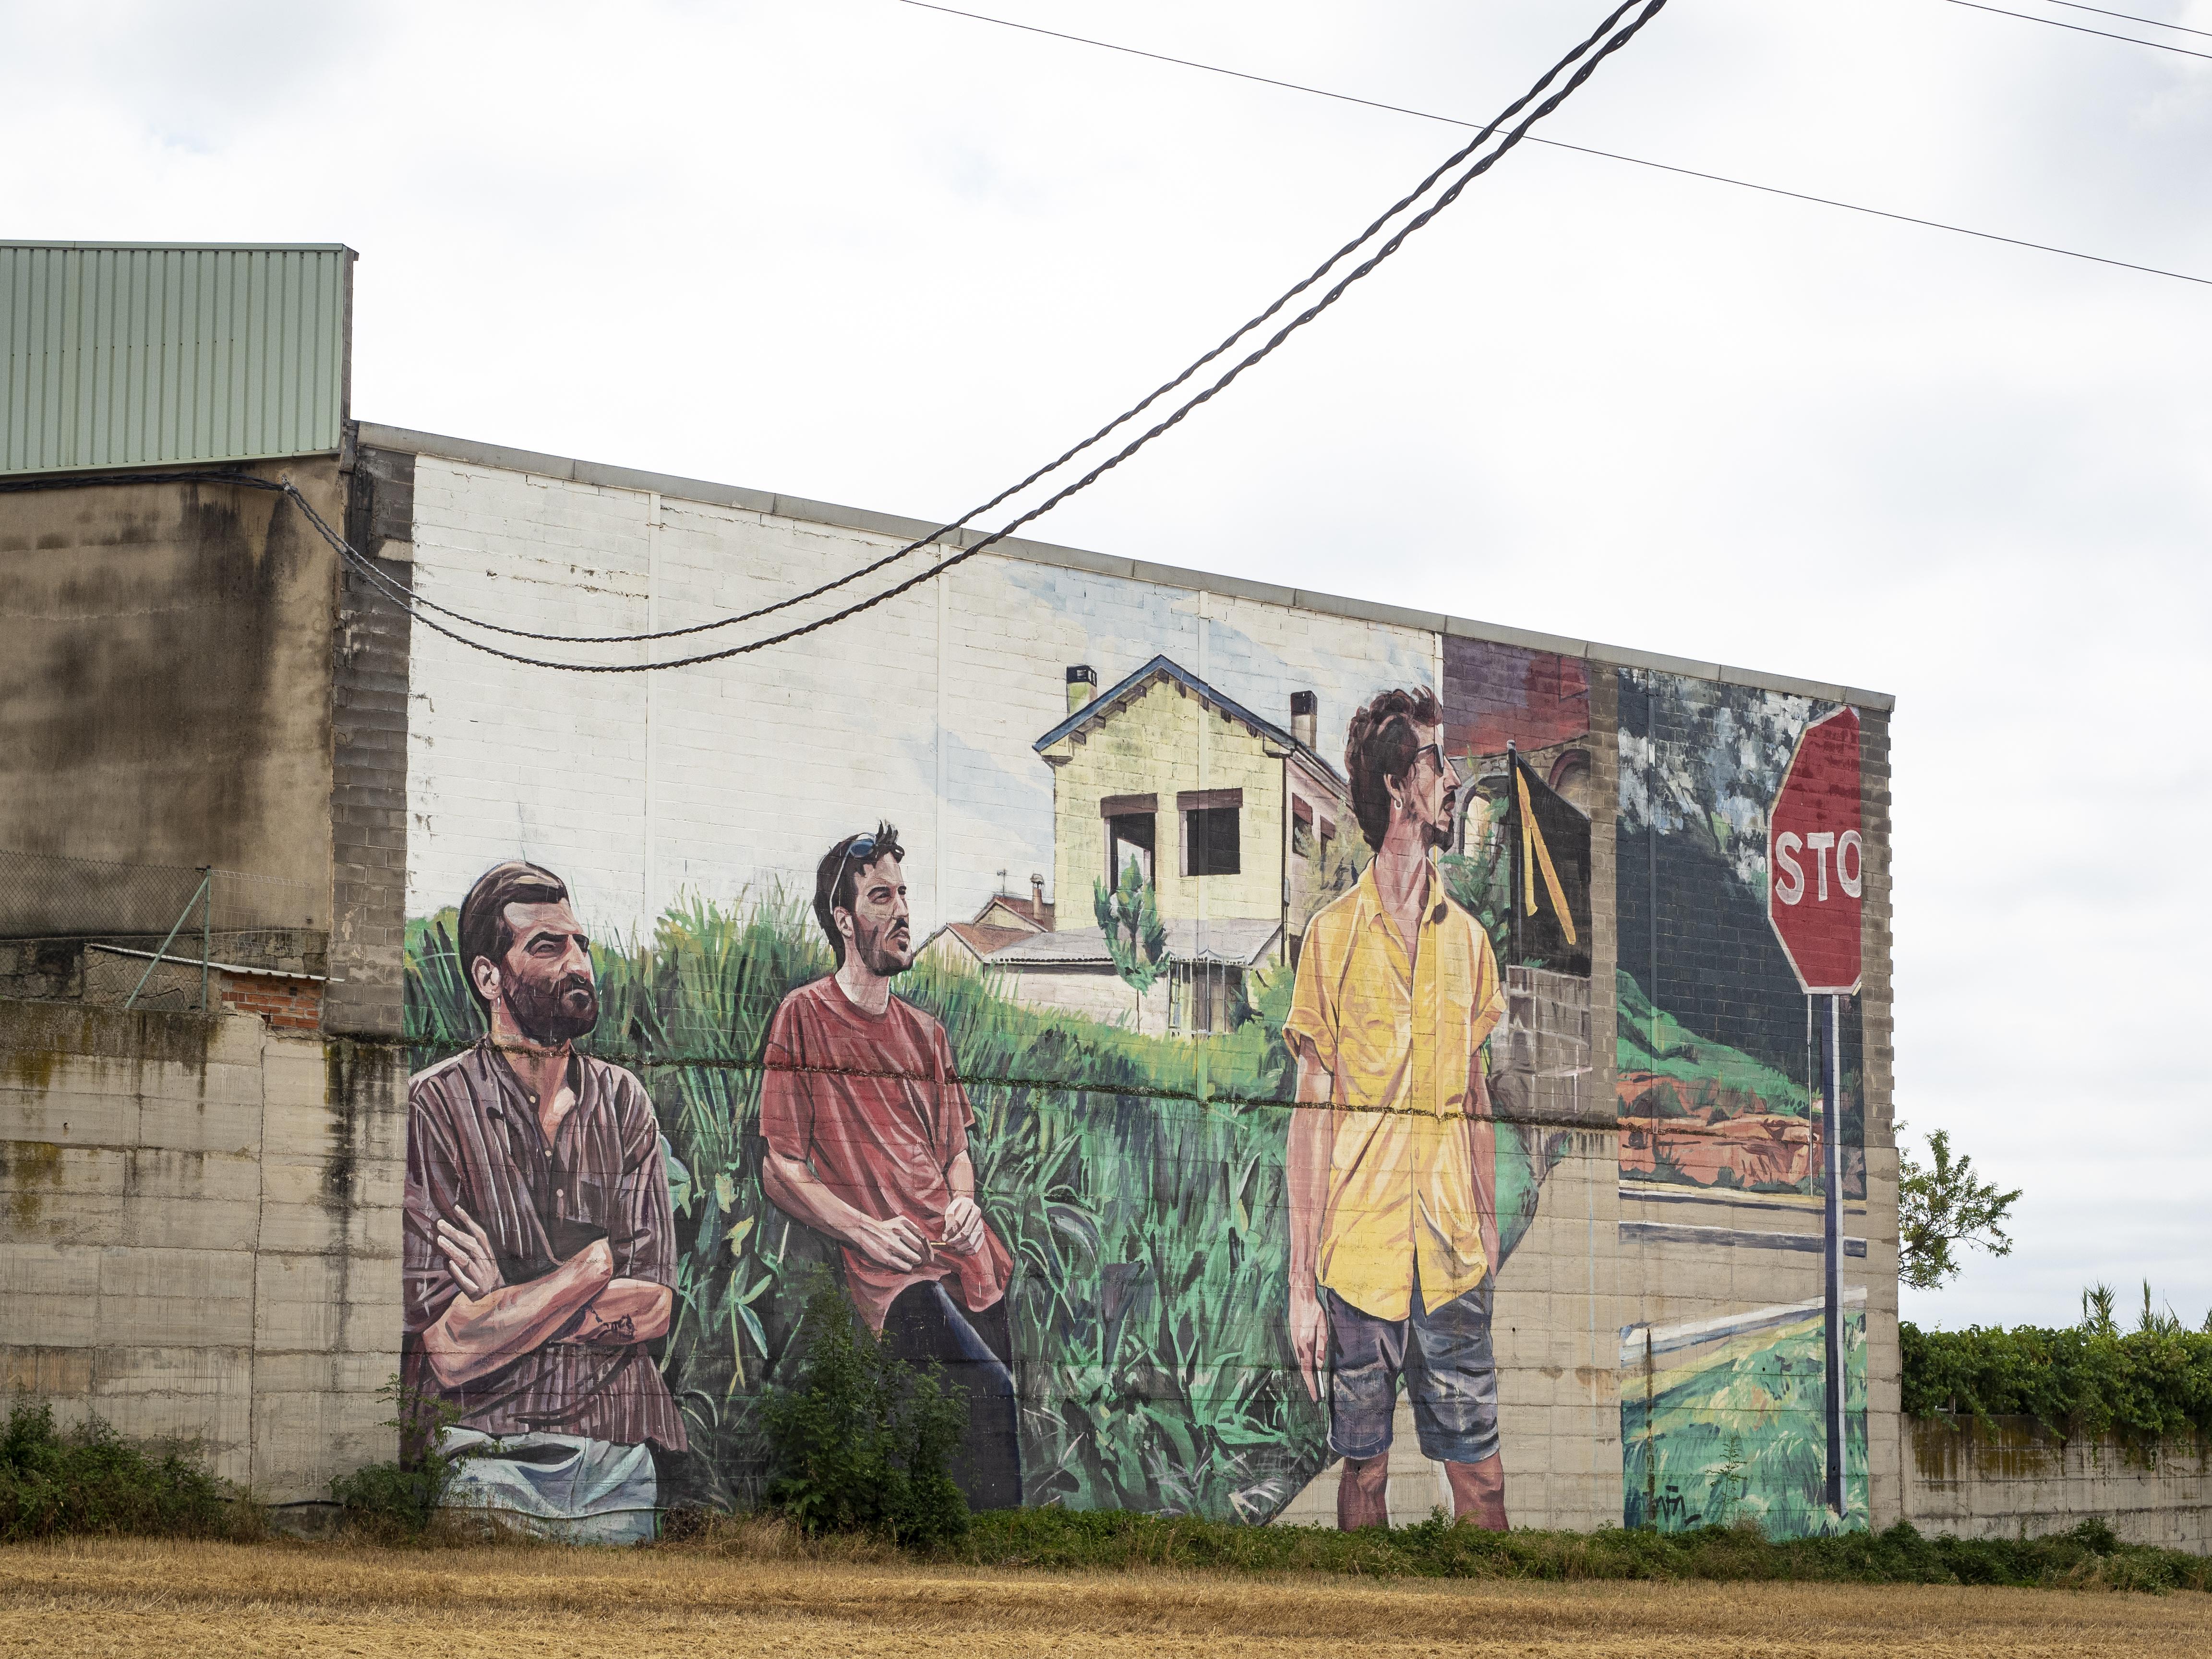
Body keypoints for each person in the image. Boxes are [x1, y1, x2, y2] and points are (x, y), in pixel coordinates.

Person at [402, 860, 685, 1536]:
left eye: (580, 944)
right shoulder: (437, 1106)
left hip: (617, 1454)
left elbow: (653, 1308)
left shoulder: (624, 1105)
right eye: (548, 946)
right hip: (485, 1450)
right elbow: (451, 1347)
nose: (578, 964)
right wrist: (587, 1273)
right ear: (487, 977)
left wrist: (510, 1296)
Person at [1284, 688, 1510, 1530]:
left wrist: (1485, 1227)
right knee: (1366, 1477)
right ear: (1394, 785)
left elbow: (1478, 1100)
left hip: (1452, 1257)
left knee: (1481, 1483)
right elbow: (1310, 1122)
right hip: (1361, 1262)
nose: (1452, 780)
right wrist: (1302, 1284)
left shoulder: (1471, 943)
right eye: (1434, 764)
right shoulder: (1331, 940)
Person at [759, 822, 1021, 1509]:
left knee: (980, 1437)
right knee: (991, 1398)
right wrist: (862, 1231)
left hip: (970, 1259)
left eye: (904, 894)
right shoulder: (803, 1018)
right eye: (882, 897)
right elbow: (780, 1167)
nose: (904, 911)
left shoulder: (927, 1034)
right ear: (845, 920)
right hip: (895, 1273)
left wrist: (967, 1203)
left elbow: (956, 1152)